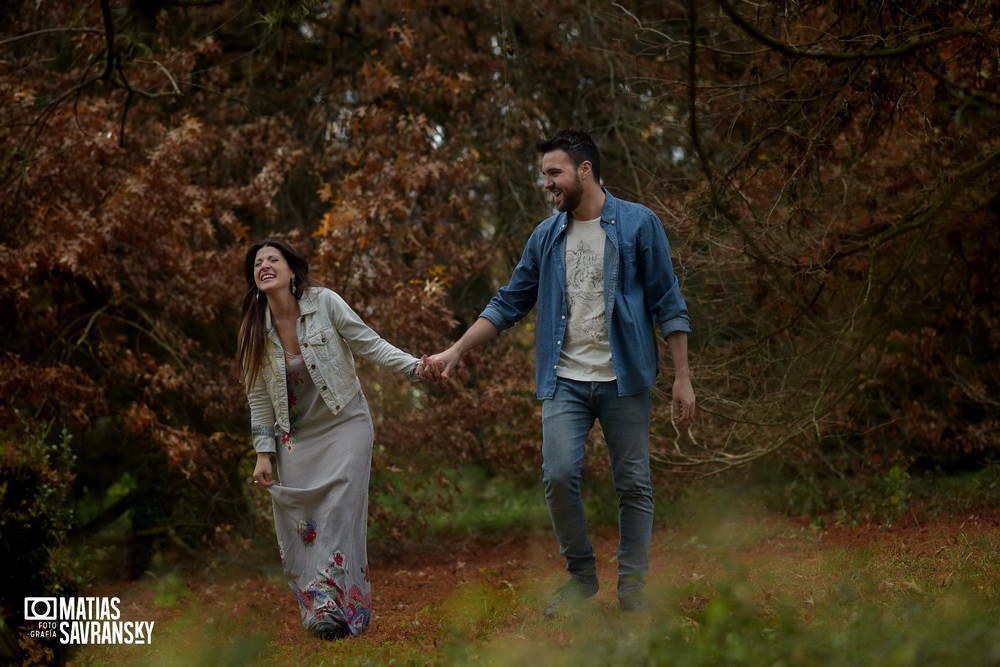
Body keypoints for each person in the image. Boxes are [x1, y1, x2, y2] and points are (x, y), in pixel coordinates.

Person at [425, 129, 695, 614]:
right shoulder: (546, 237)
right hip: (565, 381)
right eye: (545, 174)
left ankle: (633, 586)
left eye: (554, 173)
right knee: (559, 473)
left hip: (625, 377)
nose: (548, 183)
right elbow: (509, 302)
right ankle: (580, 578)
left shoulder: (638, 224)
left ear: (583, 170)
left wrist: (682, 376)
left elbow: (667, 300)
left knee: (633, 484)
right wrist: (457, 350)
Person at [238, 239, 429, 639]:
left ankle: (335, 605)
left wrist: (415, 368)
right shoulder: (254, 328)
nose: (265, 265)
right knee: (302, 521)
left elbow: (368, 342)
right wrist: (263, 453)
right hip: (296, 437)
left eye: (274, 259)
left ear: (292, 271)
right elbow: (257, 397)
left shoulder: (324, 303)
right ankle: (320, 610)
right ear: (254, 278)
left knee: (340, 510)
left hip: (346, 423)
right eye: (258, 263)